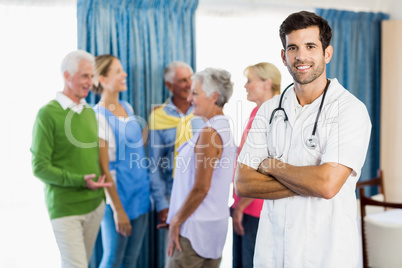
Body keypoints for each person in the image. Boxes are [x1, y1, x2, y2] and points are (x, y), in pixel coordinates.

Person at [235, 11, 372, 268]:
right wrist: (311, 183)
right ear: (283, 56)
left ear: (327, 53)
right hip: (272, 255)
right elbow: (243, 184)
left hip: (326, 255)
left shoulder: (349, 110)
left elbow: (327, 185)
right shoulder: (269, 110)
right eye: (293, 48)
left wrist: (269, 165)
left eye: (311, 46)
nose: (301, 56)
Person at [31, 50, 112, 267]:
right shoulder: (48, 113)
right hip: (66, 209)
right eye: (85, 76)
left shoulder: (89, 112)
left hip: (94, 205)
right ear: (67, 76)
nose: (91, 82)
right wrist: (79, 180)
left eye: (92, 76)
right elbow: (39, 167)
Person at [166, 68, 236, 268]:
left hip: (193, 231)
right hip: (212, 227)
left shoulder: (209, 133)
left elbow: (201, 188)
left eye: (195, 93)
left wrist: (177, 221)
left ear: (213, 97)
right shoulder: (224, 127)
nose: (189, 98)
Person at [91, 55, 150, 267]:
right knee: (113, 259)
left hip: (139, 192)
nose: (125, 74)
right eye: (118, 71)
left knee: (131, 260)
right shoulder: (98, 116)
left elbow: (136, 145)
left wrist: (151, 123)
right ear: (103, 80)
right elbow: (103, 167)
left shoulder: (127, 106)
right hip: (117, 196)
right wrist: (118, 209)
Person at [148, 61, 203, 266]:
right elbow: (154, 166)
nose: (189, 83)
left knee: (200, 249)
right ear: (169, 86)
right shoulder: (158, 116)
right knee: (176, 252)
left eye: (191, 78)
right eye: (183, 80)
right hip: (173, 195)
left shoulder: (203, 111)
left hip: (200, 190)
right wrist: (162, 204)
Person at [231, 62, 281, 268]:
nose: (245, 86)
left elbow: (265, 168)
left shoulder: (273, 115)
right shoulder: (256, 112)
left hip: (255, 209)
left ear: (267, 83)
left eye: (249, 81)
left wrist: (241, 207)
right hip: (244, 204)